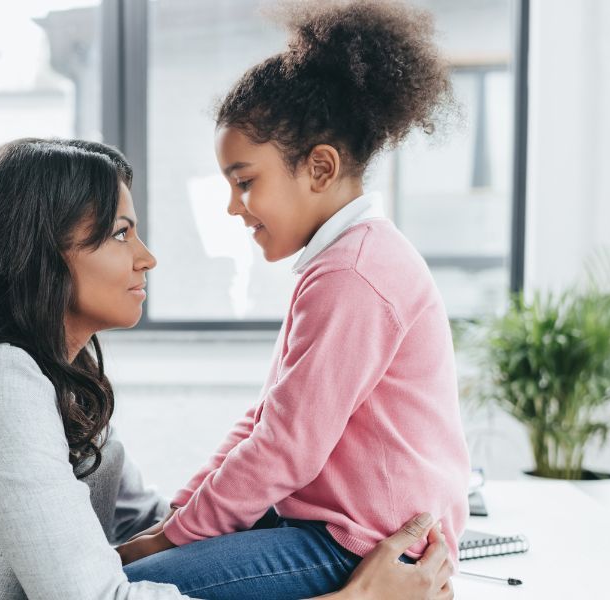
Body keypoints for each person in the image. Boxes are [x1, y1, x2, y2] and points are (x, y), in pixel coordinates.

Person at [0, 138, 454, 599]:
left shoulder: (54, 388)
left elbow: (151, 529)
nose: (147, 257)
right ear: (38, 255)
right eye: (118, 233)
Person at [115, 1, 470, 598]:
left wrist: (172, 538)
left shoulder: (354, 273)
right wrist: (178, 517)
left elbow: (285, 448)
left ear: (320, 168)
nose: (233, 207)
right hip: (328, 527)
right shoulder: (343, 260)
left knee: (127, 586)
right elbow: (266, 420)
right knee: (129, 574)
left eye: (245, 181)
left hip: (360, 543)